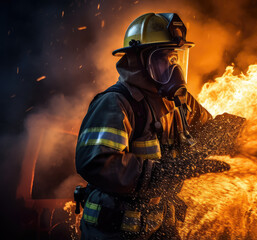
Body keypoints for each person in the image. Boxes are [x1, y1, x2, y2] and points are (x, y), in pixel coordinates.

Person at [75, 13, 231, 240]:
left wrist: (228, 129)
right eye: (162, 58)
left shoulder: (179, 102)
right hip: (113, 231)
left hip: (159, 227)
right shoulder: (116, 103)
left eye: (174, 57)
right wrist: (164, 172)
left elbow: (206, 131)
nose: (172, 67)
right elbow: (96, 162)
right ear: (138, 60)